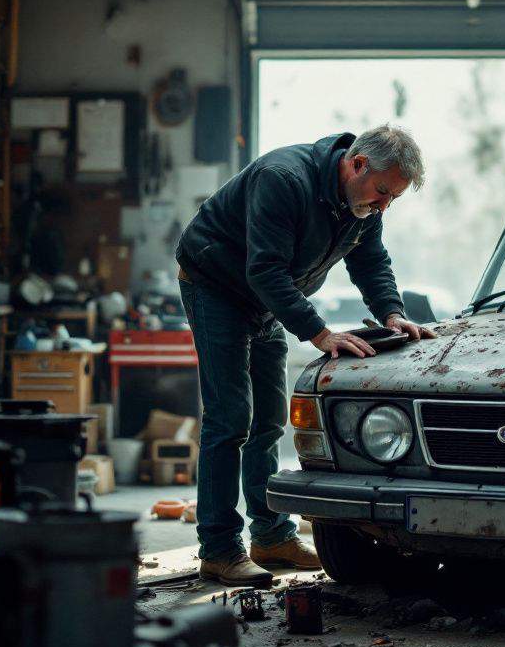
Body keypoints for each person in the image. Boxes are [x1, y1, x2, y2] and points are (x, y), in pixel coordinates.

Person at [175, 124, 436, 586]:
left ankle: (272, 536)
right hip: (216, 286)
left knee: (270, 421)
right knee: (230, 418)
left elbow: (371, 260)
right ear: (356, 164)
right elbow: (265, 268)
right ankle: (218, 549)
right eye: (381, 192)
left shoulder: (363, 202)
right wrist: (318, 333)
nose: (383, 206)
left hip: (266, 297)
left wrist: (392, 314)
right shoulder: (283, 179)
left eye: (392, 199)